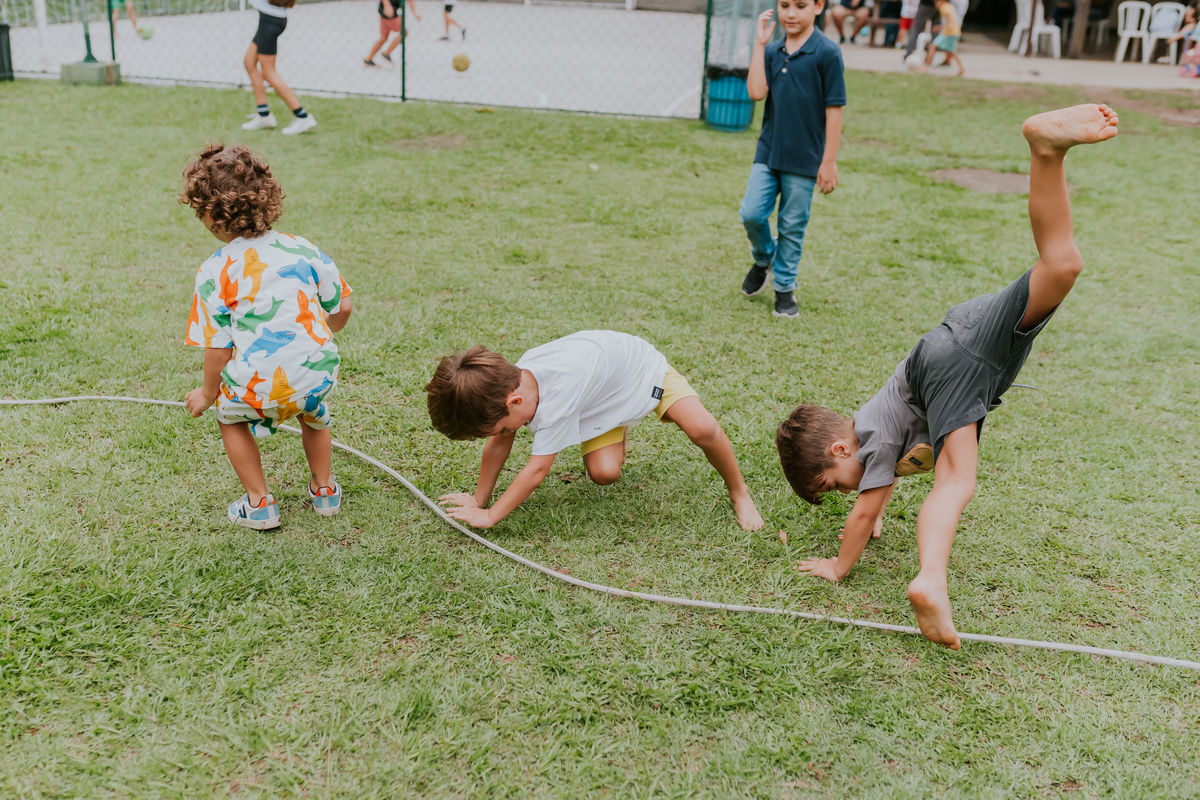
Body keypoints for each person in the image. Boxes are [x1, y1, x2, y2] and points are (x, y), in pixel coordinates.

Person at [776, 104, 1120, 649]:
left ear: (841, 450)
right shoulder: (871, 426)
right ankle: (1047, 151)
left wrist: (841, 566)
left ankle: (930, 579)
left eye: (833, 485)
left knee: (955, 481)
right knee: (1061, 264)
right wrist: (874, 504)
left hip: (955, 360)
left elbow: (867, 509)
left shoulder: (872, 440)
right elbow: (875, 493)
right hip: (962, 335)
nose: (850, 493)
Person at [425, 331, 765, 532]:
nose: (502, 434)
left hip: (641, 373)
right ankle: (618, 422)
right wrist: (478, 498)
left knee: (701, 427)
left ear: (514, 401)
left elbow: (537, 469)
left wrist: (490, 516)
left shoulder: (558, 397)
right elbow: (500, 445)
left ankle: (739, 491)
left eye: (499, 428)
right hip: (597, 401)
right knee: (604, 473)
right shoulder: (513, 383)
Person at [179, 143, 354, 529]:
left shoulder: (214, 270)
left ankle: (259, 504)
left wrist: (208, 395)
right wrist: (324, 331)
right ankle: (324, 490)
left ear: (210, 215)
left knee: (229, 416)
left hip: (259, 390)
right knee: (315, 414)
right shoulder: (302, 248)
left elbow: (218, 349)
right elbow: (342, 307)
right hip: (317, 378)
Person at [740, 0, 846, 320]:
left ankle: (784, 289)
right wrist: (760, 44)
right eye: (784, 5)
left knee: (791, 225)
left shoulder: (827, 53)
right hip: (769, 152)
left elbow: (834, 110)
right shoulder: (772, 52)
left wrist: (828, 161)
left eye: (800, 5)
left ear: (818, 6)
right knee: (751, 213)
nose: (790, 13)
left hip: (805, 159)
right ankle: (764, 258)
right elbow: (756, 92)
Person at [241, 0, 317, 135]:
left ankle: (302, 116)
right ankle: (264, 115)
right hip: (269, 19)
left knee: (268, 72)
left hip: (271, 21)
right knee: (249, 62)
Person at [365, 0, 420, 68]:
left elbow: (411, 2)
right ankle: (386, 54)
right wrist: (387, 5)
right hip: (389, 12)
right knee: (404, 33)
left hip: (385, 12)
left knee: (384, 37)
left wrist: (415, 14)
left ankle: (368, 59)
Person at [920, 0, 964, 74]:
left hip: (949, 33)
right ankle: (962, 69)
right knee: (953, 51)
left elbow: (949, 16)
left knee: (933, 46)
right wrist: (941, 27)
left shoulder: (944, 7)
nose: (936, 4)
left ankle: (926, 66)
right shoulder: (950, 6)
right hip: (954, 32)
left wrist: (949, 25)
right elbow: (950, 20)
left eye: (936, 2)